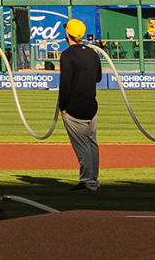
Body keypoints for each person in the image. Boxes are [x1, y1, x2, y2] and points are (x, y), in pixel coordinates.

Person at [58, 17, 101, 193]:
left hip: (75, 107)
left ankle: (88, 182)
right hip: (91, 105)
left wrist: (63, 106)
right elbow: (98, 77)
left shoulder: (68, 54)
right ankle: (93, 180)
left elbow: (65, 83)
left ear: (68, 34)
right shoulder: (92, 53)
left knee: (82, 146)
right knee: (92, 144)